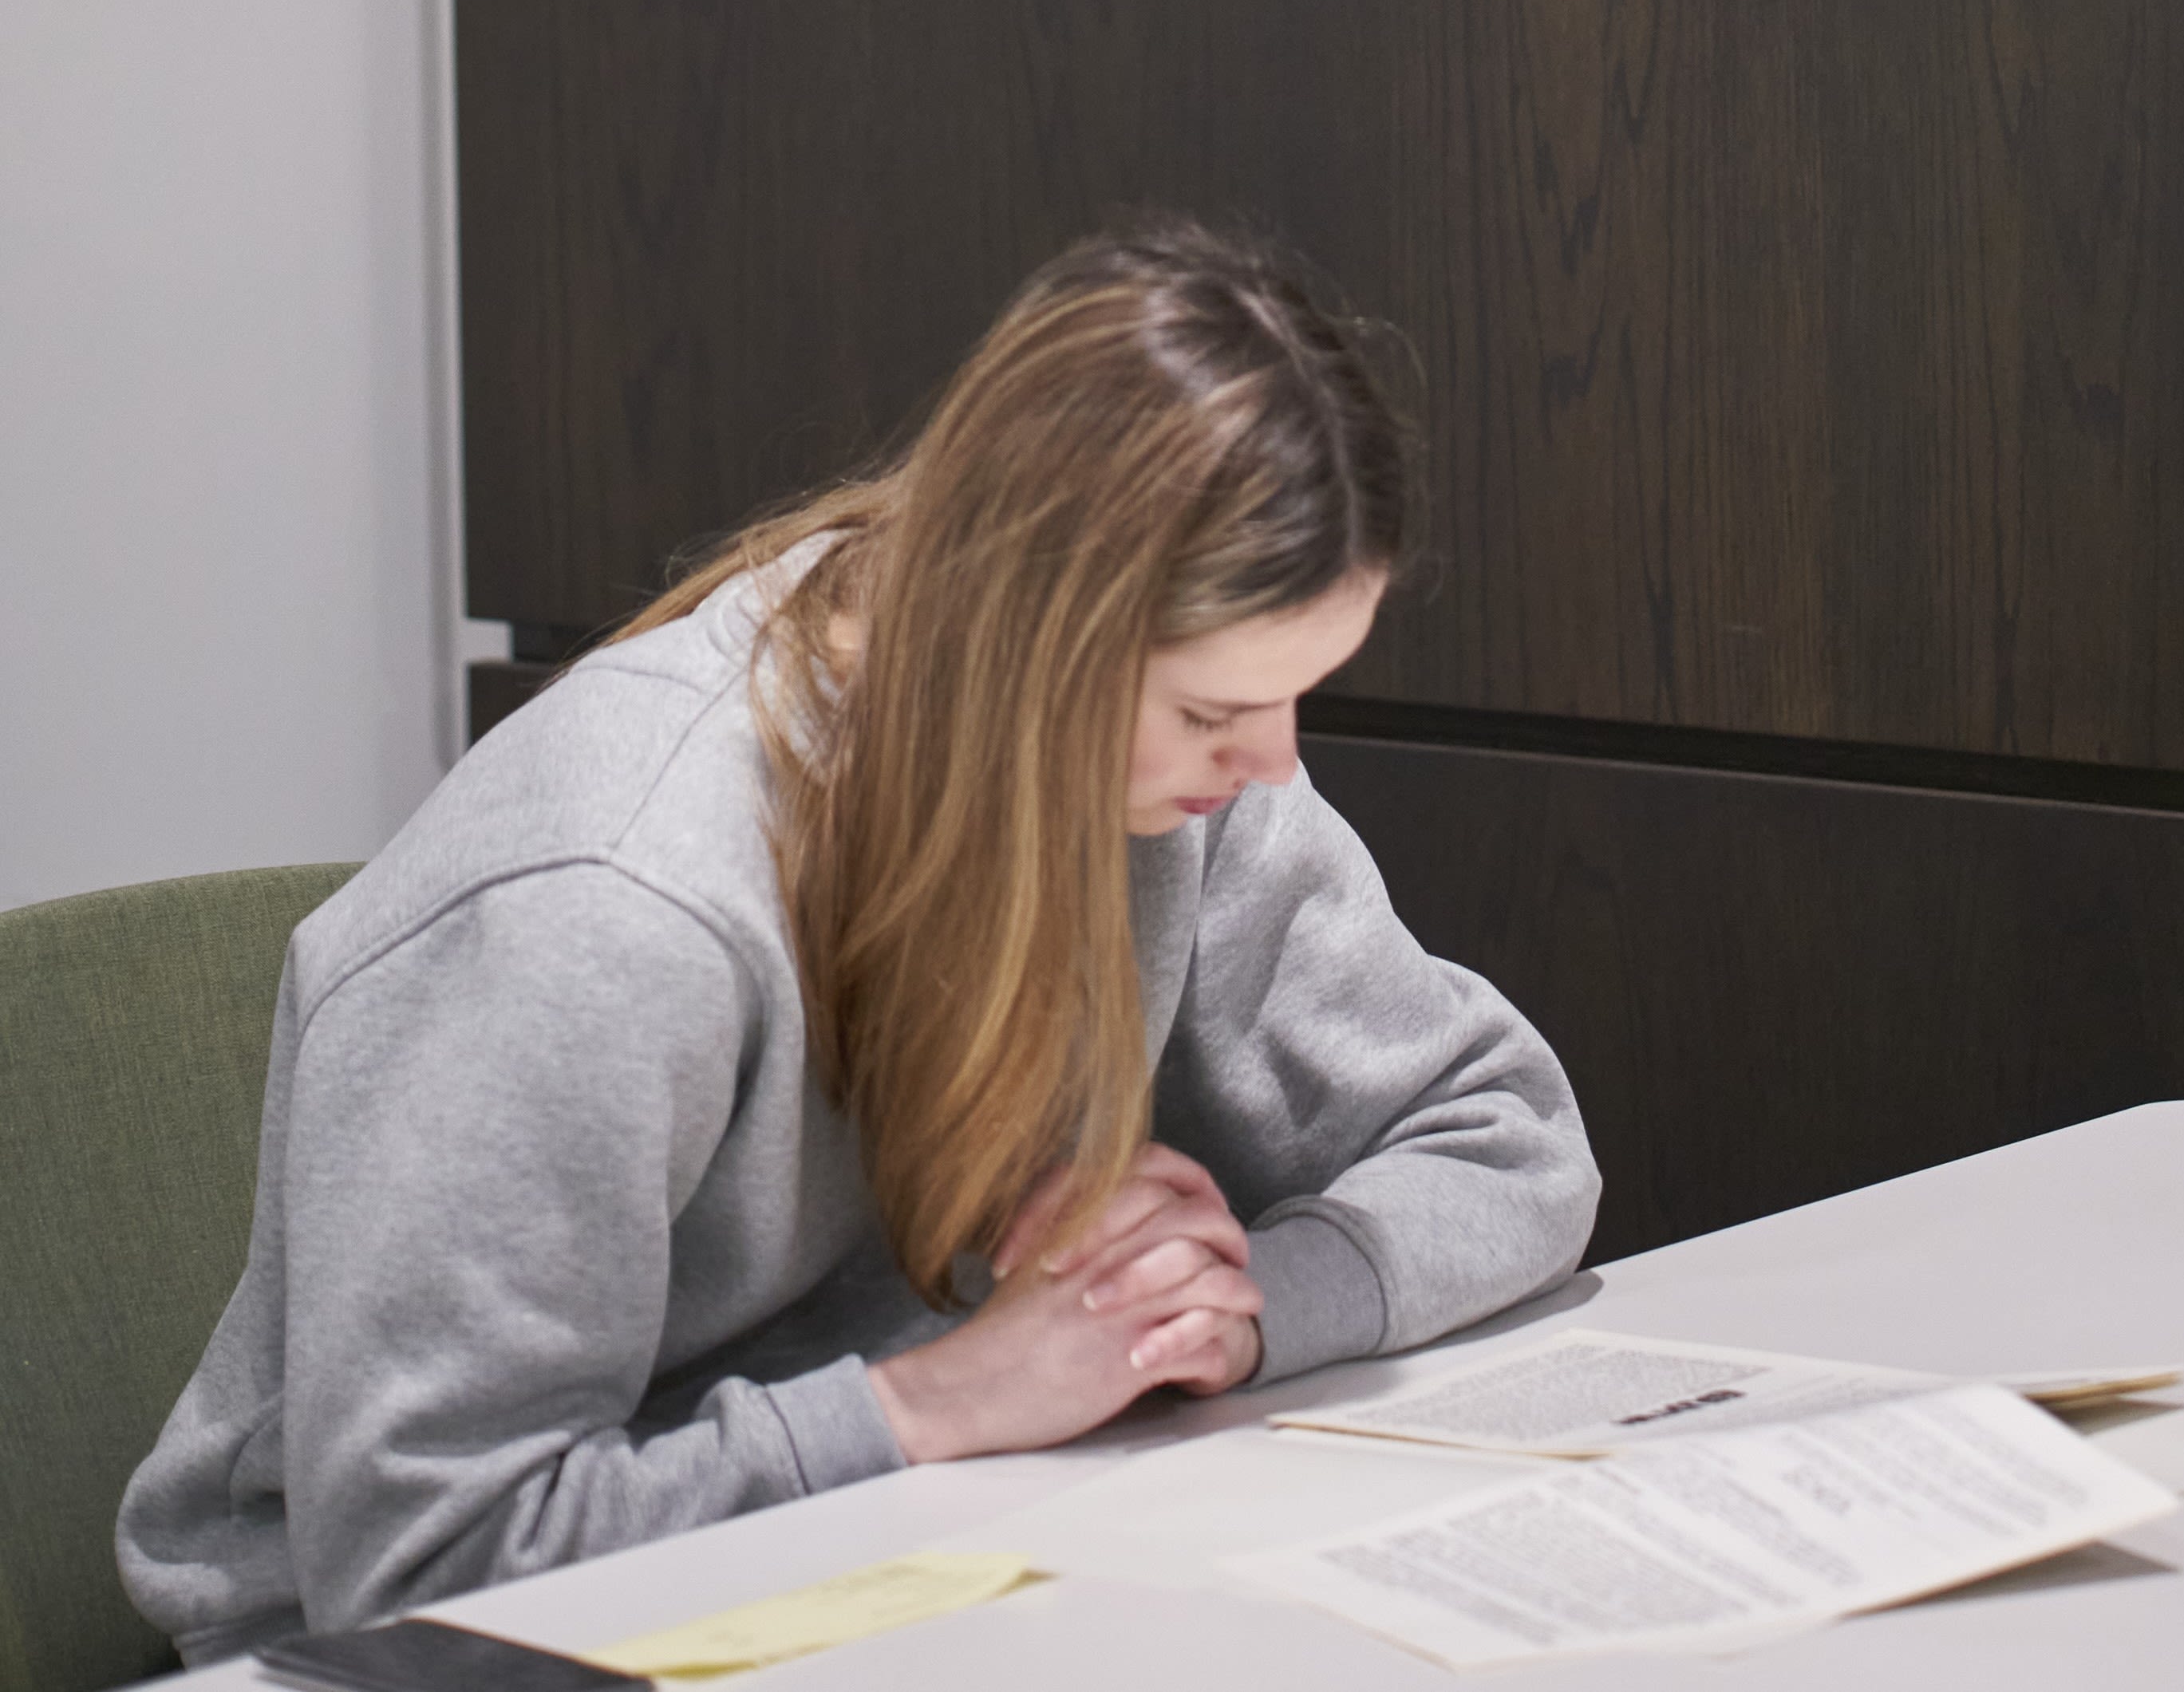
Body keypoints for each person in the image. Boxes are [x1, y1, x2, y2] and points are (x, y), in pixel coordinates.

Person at [119, 219, 1598, 1657]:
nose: (1268, 765)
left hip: (906, 1538)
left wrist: (1218, 1313)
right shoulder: (609, 906)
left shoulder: (1169, 781)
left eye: (1296, 696)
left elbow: (1508, 1139)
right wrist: (941, 1399)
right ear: (1020, 646)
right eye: (1212, 711)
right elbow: (422, 1568)